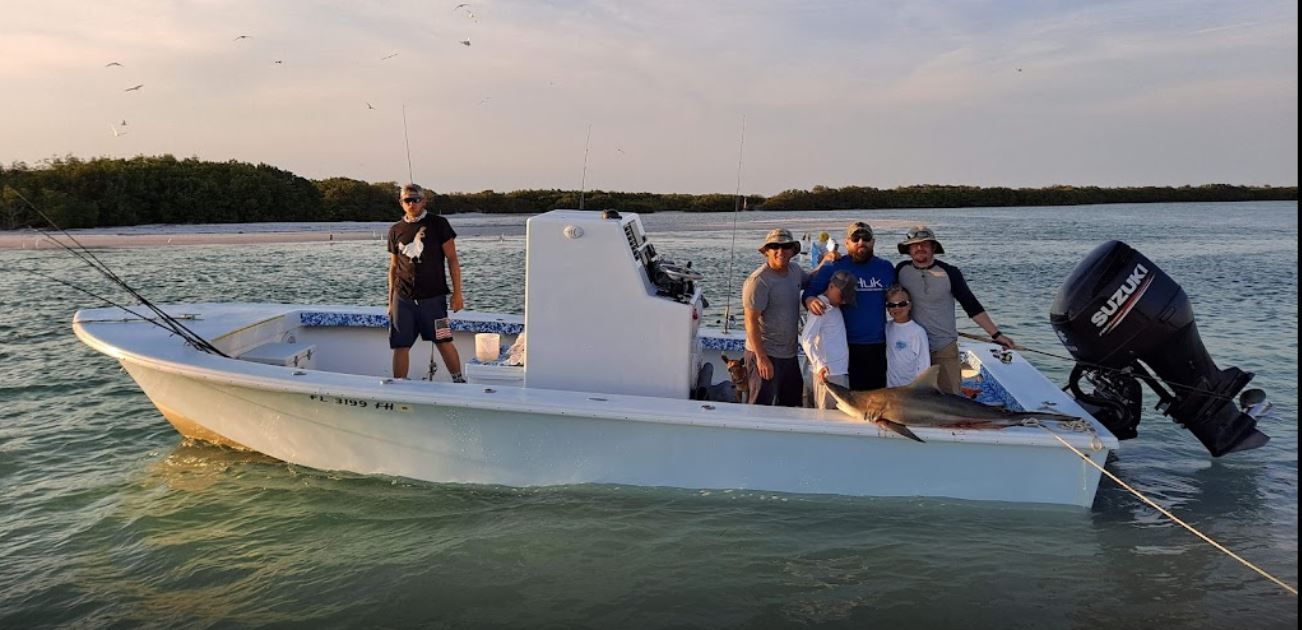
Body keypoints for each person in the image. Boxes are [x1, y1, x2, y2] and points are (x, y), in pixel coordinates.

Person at [894, 225, 1015, 395]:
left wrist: (996, 335)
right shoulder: (901, 270)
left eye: (925, 244)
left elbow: (971, 306)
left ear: (933, 248)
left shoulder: (950, 273)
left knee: (951, 397)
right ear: (908, 249)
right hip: (912, 347)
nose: (919, 248)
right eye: (914, 244)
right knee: (912, 398)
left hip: (943, 346)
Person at [803, 221, 896, 390]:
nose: (861, 242)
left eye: (866, 238)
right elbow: (810, 291)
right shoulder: (834, 266)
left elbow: (898, 300)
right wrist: (810, 300)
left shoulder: (886, 268)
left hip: (878, 345)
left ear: (873, 242)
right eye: (855, 238)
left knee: (875, 398)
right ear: (847, 243)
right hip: (844, 348)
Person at [387, 183, 465, 382]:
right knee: (401, 344)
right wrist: (390, 302)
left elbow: (453, 260)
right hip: (402, 298)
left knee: (443, 339)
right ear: (401, 203)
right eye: (407, 200)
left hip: (433, 297)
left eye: (416, 199)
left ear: (424, 200)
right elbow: (394, 268)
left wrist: (457, 294)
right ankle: (399, 386)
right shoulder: (395, 230)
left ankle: (459, 381)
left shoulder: (439, 224)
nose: (411, 203)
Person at [742, 228, 808, 407]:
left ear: (793, 250)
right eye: (774, 247)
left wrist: (827, 261)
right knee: (760, 407)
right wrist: (761, 358)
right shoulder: (758, 281)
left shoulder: (795, 271)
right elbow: (750, 321)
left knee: (792, 405)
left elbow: (813, 281)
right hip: (765, 354)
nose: (780, 251)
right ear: (766, 251)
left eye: (786, 246)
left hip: (789, 355)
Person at [800, 270, 856, 409]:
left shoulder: (835, 307)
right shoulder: (820, 307)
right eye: (842, 295)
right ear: (831, 286)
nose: (843, 301)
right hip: (827, 375)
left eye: (846, 297)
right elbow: (806, 339)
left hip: (839, 371)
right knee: (825, 416)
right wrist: (819, 365)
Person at [883, 284, 930, 388]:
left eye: (902, 304)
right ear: (887, 308)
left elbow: (924, 364)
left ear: (909, 306)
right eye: (892, 305)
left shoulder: (917, 332)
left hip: (911, 389)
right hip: (891, 388)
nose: (897, 308)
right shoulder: (886, 328)